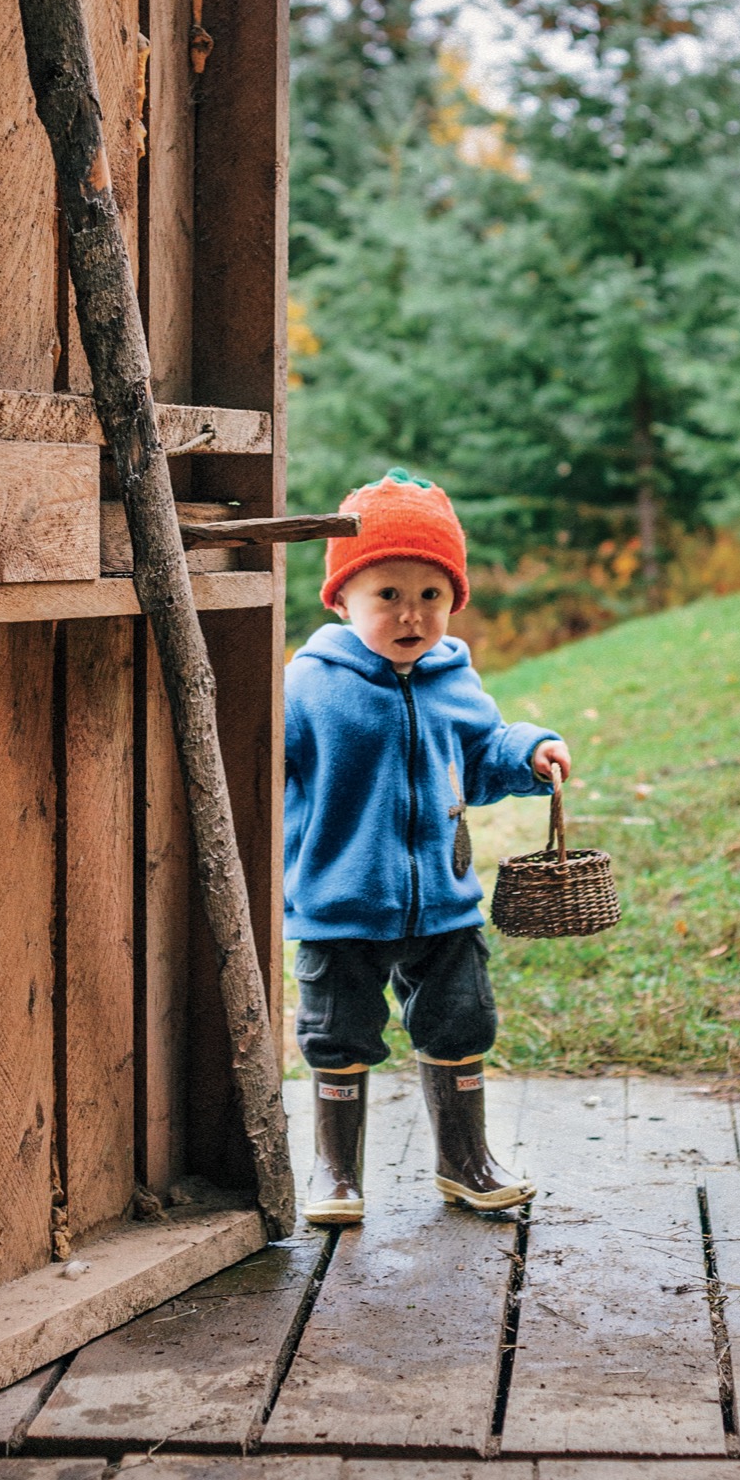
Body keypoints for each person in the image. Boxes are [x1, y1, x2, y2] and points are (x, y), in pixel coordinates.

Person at [284, 468, 572, 1225]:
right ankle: (336, 1170)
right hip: (341, 898)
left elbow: (479, 761)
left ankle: (465, 1161)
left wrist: (529, 753)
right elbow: (262, 764)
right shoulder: (310, 686)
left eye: (431, 595)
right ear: (343, 599)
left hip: (442, 899)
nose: (412, 614)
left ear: (453, 599)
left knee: (461, 1019)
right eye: (388, 594)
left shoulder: (455, 680)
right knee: (338, 1033)